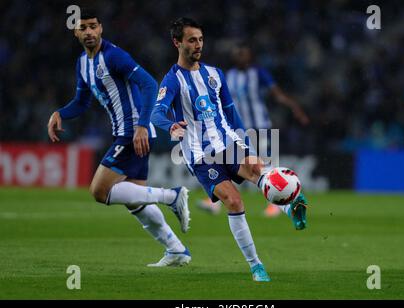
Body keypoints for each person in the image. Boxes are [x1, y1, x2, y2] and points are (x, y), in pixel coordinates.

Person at [150, 17, 308, 282]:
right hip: (200, 155)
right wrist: (170, 126)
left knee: (259, 171)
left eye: (200, 39)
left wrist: (246, 146)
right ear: (177, 43)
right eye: (191, 40)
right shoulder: (172, 80)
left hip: (228, 143)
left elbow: (232, 113)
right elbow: (156, 114)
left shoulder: (215, 74)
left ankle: (292, 208)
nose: (198, 44)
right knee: (234, 201)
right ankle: (256, 265)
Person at [46, 10, 191, 267]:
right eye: (83, 28)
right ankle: (176, 249)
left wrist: (142, 126)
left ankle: (172, 196)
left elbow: (149, 84)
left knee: (99, 191)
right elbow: (81, 102)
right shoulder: (83, 63)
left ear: (101, 28)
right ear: (76, 32)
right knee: (135, 201)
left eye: (93, 26)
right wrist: (60, 113)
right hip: (126, 132)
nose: (89, 32)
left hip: (133, 131)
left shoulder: (114, 56)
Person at [197, 43, 309, 217]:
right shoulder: (229, 75)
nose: (240, 56)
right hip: (236, 130)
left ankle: (278, 203)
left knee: (265, 164)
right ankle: (217, 203)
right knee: (226, 164)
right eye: (237, 53)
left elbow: (276, 94)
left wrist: (295, 107)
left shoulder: (258, 73)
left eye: (243, 53)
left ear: (249, 56)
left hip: (259, 126)